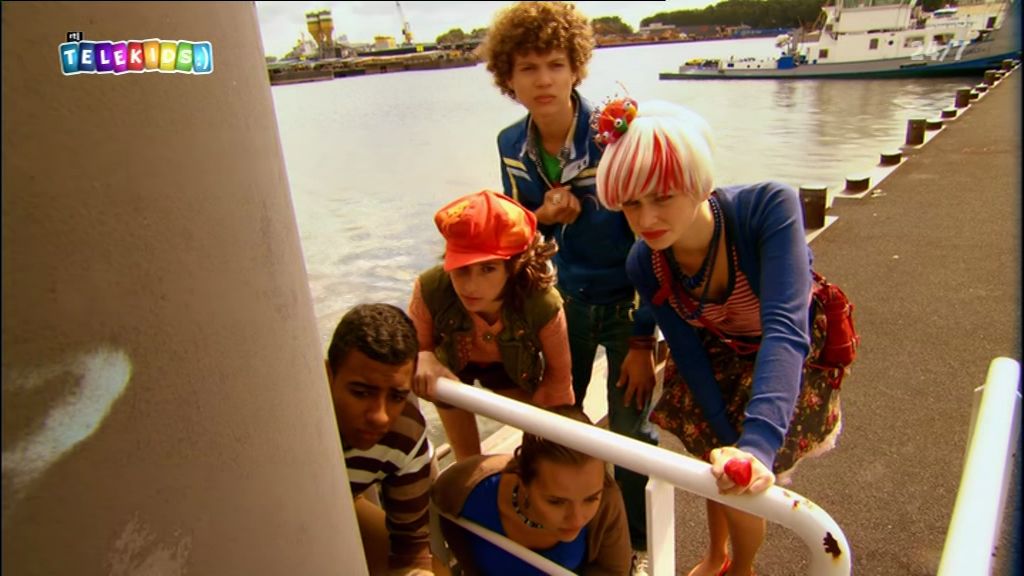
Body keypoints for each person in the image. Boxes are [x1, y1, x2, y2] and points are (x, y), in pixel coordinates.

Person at [594, 98, 843, 576]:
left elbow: (786, 327)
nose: (646, 220)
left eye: (662, 197)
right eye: (631, 203)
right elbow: (686, 352)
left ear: (698, 183)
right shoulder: (644, 261)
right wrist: (725, 438)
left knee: (743, 477)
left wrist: (756, 446)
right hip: (714, 346)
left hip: (783, 346)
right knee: (714, 455)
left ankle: (742, 568)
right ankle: (716, 555)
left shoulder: (767, 208)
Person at [479, 1, 659, 562]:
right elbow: (516, 228)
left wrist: (642, 341)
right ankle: (561, 533)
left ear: (576, 68)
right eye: (528, 68)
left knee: (631, 435)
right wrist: (544, 214)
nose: (543, 80)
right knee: (556, 426)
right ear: (507, 78)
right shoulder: (510, 144)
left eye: (555, 64)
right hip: (566, 304)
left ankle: (633, 546)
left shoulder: (615, 134)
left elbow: (653, 238)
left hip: (629, 304)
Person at [409, 190, 575, 461]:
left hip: (512, 369)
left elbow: (559, 380)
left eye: (488, 269)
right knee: (467, 459)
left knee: (546, 447)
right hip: (452, 367)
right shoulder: (431, 288)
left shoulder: (542, 304)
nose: (471, 286)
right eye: (461, 269)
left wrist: (553, 434)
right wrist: (423, 355)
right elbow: (417, 347)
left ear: (513, 266)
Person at [432, 406, 632, 575]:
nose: (576, 519)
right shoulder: (463, 490)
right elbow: (438, 517)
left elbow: (614, 572)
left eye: (591, 499)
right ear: (523, 482)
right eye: (556, 502)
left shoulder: (608, 500)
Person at [325, 303, 438, 575]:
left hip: (343, 501)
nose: (380, 417)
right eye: (361, 392)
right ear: (328, 375)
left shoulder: (405, 434)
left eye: (397, 397)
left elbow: (410, 550)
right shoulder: (289, 430)